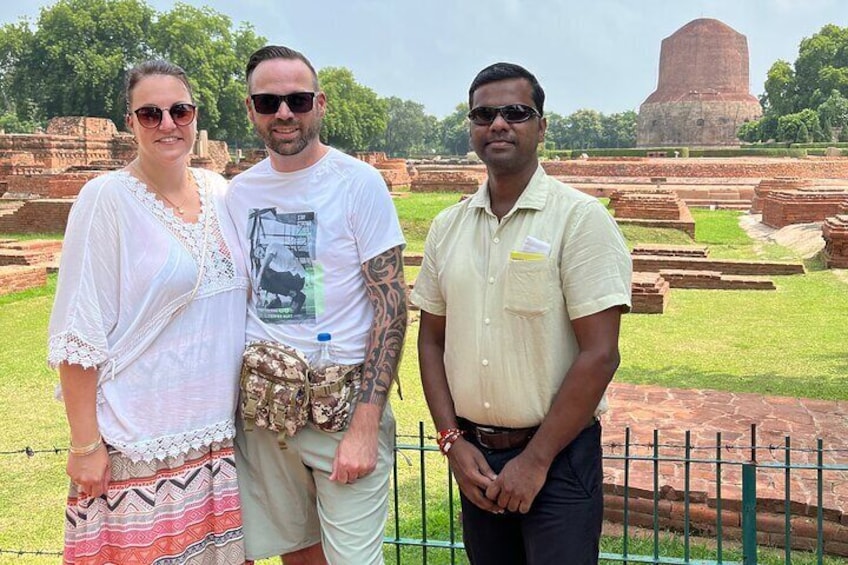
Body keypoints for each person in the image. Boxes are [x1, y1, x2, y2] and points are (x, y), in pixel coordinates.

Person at [411, 62, 632, 565]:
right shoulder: (449, 227)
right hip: (476, 457)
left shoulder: (579, 219)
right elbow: (431, 341)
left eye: (516, 112)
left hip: (557, 457)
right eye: (484, 114)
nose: (498, 124)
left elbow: (600, 354)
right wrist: (451, 442)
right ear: (471, 128)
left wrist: (535, 461)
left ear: (542, 126)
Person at [47, 60, 248, 564]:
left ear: (196, 117)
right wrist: (84, 445)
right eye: (150, 113)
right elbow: (79, 328)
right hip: (138, 448)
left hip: (219, 441)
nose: (167, 124)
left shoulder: (222, 194)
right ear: (130, 121)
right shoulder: (106, 200)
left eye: (179, 110)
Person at [226, 45, 408, 565]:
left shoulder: (358, 184)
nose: (284, 113)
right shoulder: (238, 194)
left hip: (343, 402)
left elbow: (392, 306)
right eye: (268, 102)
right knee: (297, 554)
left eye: (297, 99)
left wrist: (366, 425)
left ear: (320, 104)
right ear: (251, 109)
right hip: (266, 408)